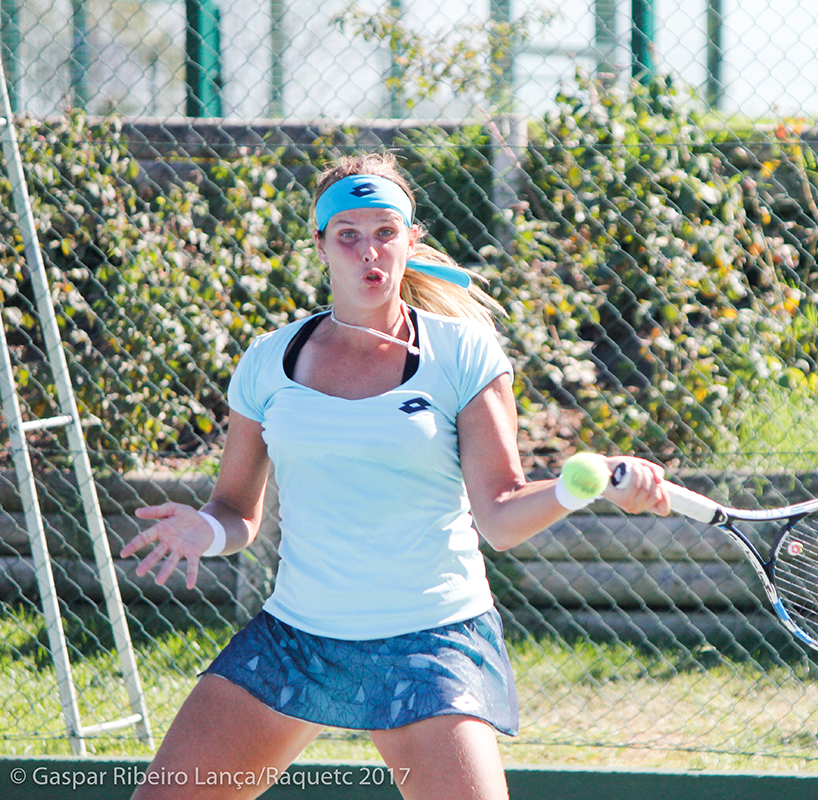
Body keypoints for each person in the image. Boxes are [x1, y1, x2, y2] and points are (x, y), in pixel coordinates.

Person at [120, 152, 671, 800]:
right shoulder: (268, 361)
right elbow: (236, 510)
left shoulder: (463, 353)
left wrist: (585, 483)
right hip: (298, 638)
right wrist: (207, 531)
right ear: (320, 244)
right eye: (347, 235)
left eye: (384, 232)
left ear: (411, 239)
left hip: (429, 645)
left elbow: (500, 515)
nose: (367, 251)